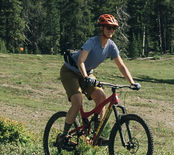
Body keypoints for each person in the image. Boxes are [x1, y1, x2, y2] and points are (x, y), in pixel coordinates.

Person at [56, 13, 138, 148]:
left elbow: (121, 65)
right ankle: (63, 136)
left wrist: (132, 82)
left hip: (87, 73)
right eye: (108, 27)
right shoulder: (92, 42)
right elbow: (81, 61)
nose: (111, 30)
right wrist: (86, 78)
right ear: (101, 28)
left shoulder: (111, 46)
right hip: (70, 71)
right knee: (77, 101)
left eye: (113, 28)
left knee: (101, 97)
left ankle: (95, 135)